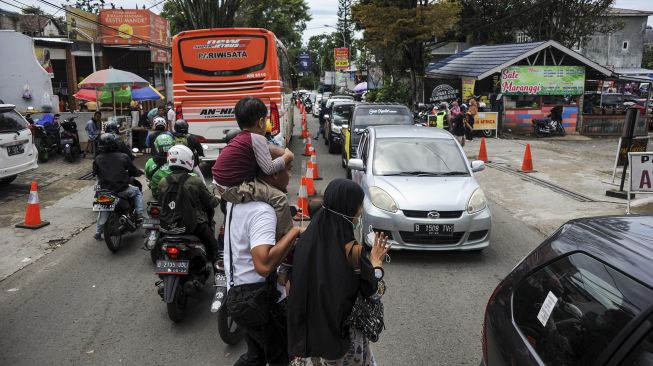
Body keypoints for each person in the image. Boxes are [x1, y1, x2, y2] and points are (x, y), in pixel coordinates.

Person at [288, 179, 391, 365]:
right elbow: (375, 292)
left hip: (308, 341)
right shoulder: (352, 250)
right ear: (348, 209)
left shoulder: (305, 241)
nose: (360, 212)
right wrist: (376, 264)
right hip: (342, 343)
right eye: (358, 206)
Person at [223, 148, 302, 366]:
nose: (290, 175)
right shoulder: (262, 211)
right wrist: (294, 233)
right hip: (255, 299)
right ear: (275, 174)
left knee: (256, 356)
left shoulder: (236, 201)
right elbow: (263, 265)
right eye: (289, 169)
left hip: (238, 293)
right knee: (280, 358)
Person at [212, 97, 295, 239]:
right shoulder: (257, 138)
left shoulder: (242, 137)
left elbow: (265, 154)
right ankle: (287, 237)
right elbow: (269, 168)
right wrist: (287, 157)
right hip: (233, 188)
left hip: (221, 185)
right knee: (280, 198)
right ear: (261, 122)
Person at [158, 145, 220, 263]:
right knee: (214, 247)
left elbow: (161, 201)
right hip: (194, 225)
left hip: (167, 225)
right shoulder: (195, 181)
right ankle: (218, 273)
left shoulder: (163, 182)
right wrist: (218, 198)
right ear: (188, 160)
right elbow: (210, 202)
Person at [93, 133, 144, 240]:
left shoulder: (97, 158)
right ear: (115, 144)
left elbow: (96, 174)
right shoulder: (123, 156)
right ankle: (139, 215)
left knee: (103, 209)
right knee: (137, 191)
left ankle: (98, 232)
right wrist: (139, 172)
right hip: (122, 190)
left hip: (105, 192)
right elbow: (133, 171)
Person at [144, 134, 175, 199]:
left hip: (157, 194)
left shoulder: (150, 162)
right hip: (176, 194)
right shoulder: (177, 160)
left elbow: (148, 177)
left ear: (157, 147)